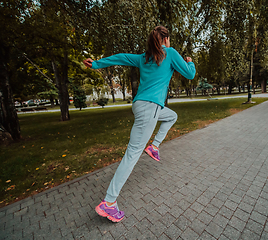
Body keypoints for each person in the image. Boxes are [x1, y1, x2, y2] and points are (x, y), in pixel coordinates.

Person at [83, 26, 196, 222]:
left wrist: (96, 64)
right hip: (150, 108)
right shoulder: (170, 53)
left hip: (142, 105)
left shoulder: (144, 57)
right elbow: (189, 74)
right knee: (132, 154)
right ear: (166, 39)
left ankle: (154, 147)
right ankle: (109, 203)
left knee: (171, 116)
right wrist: (191, 62)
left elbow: (121, 57)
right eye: (168, 40)